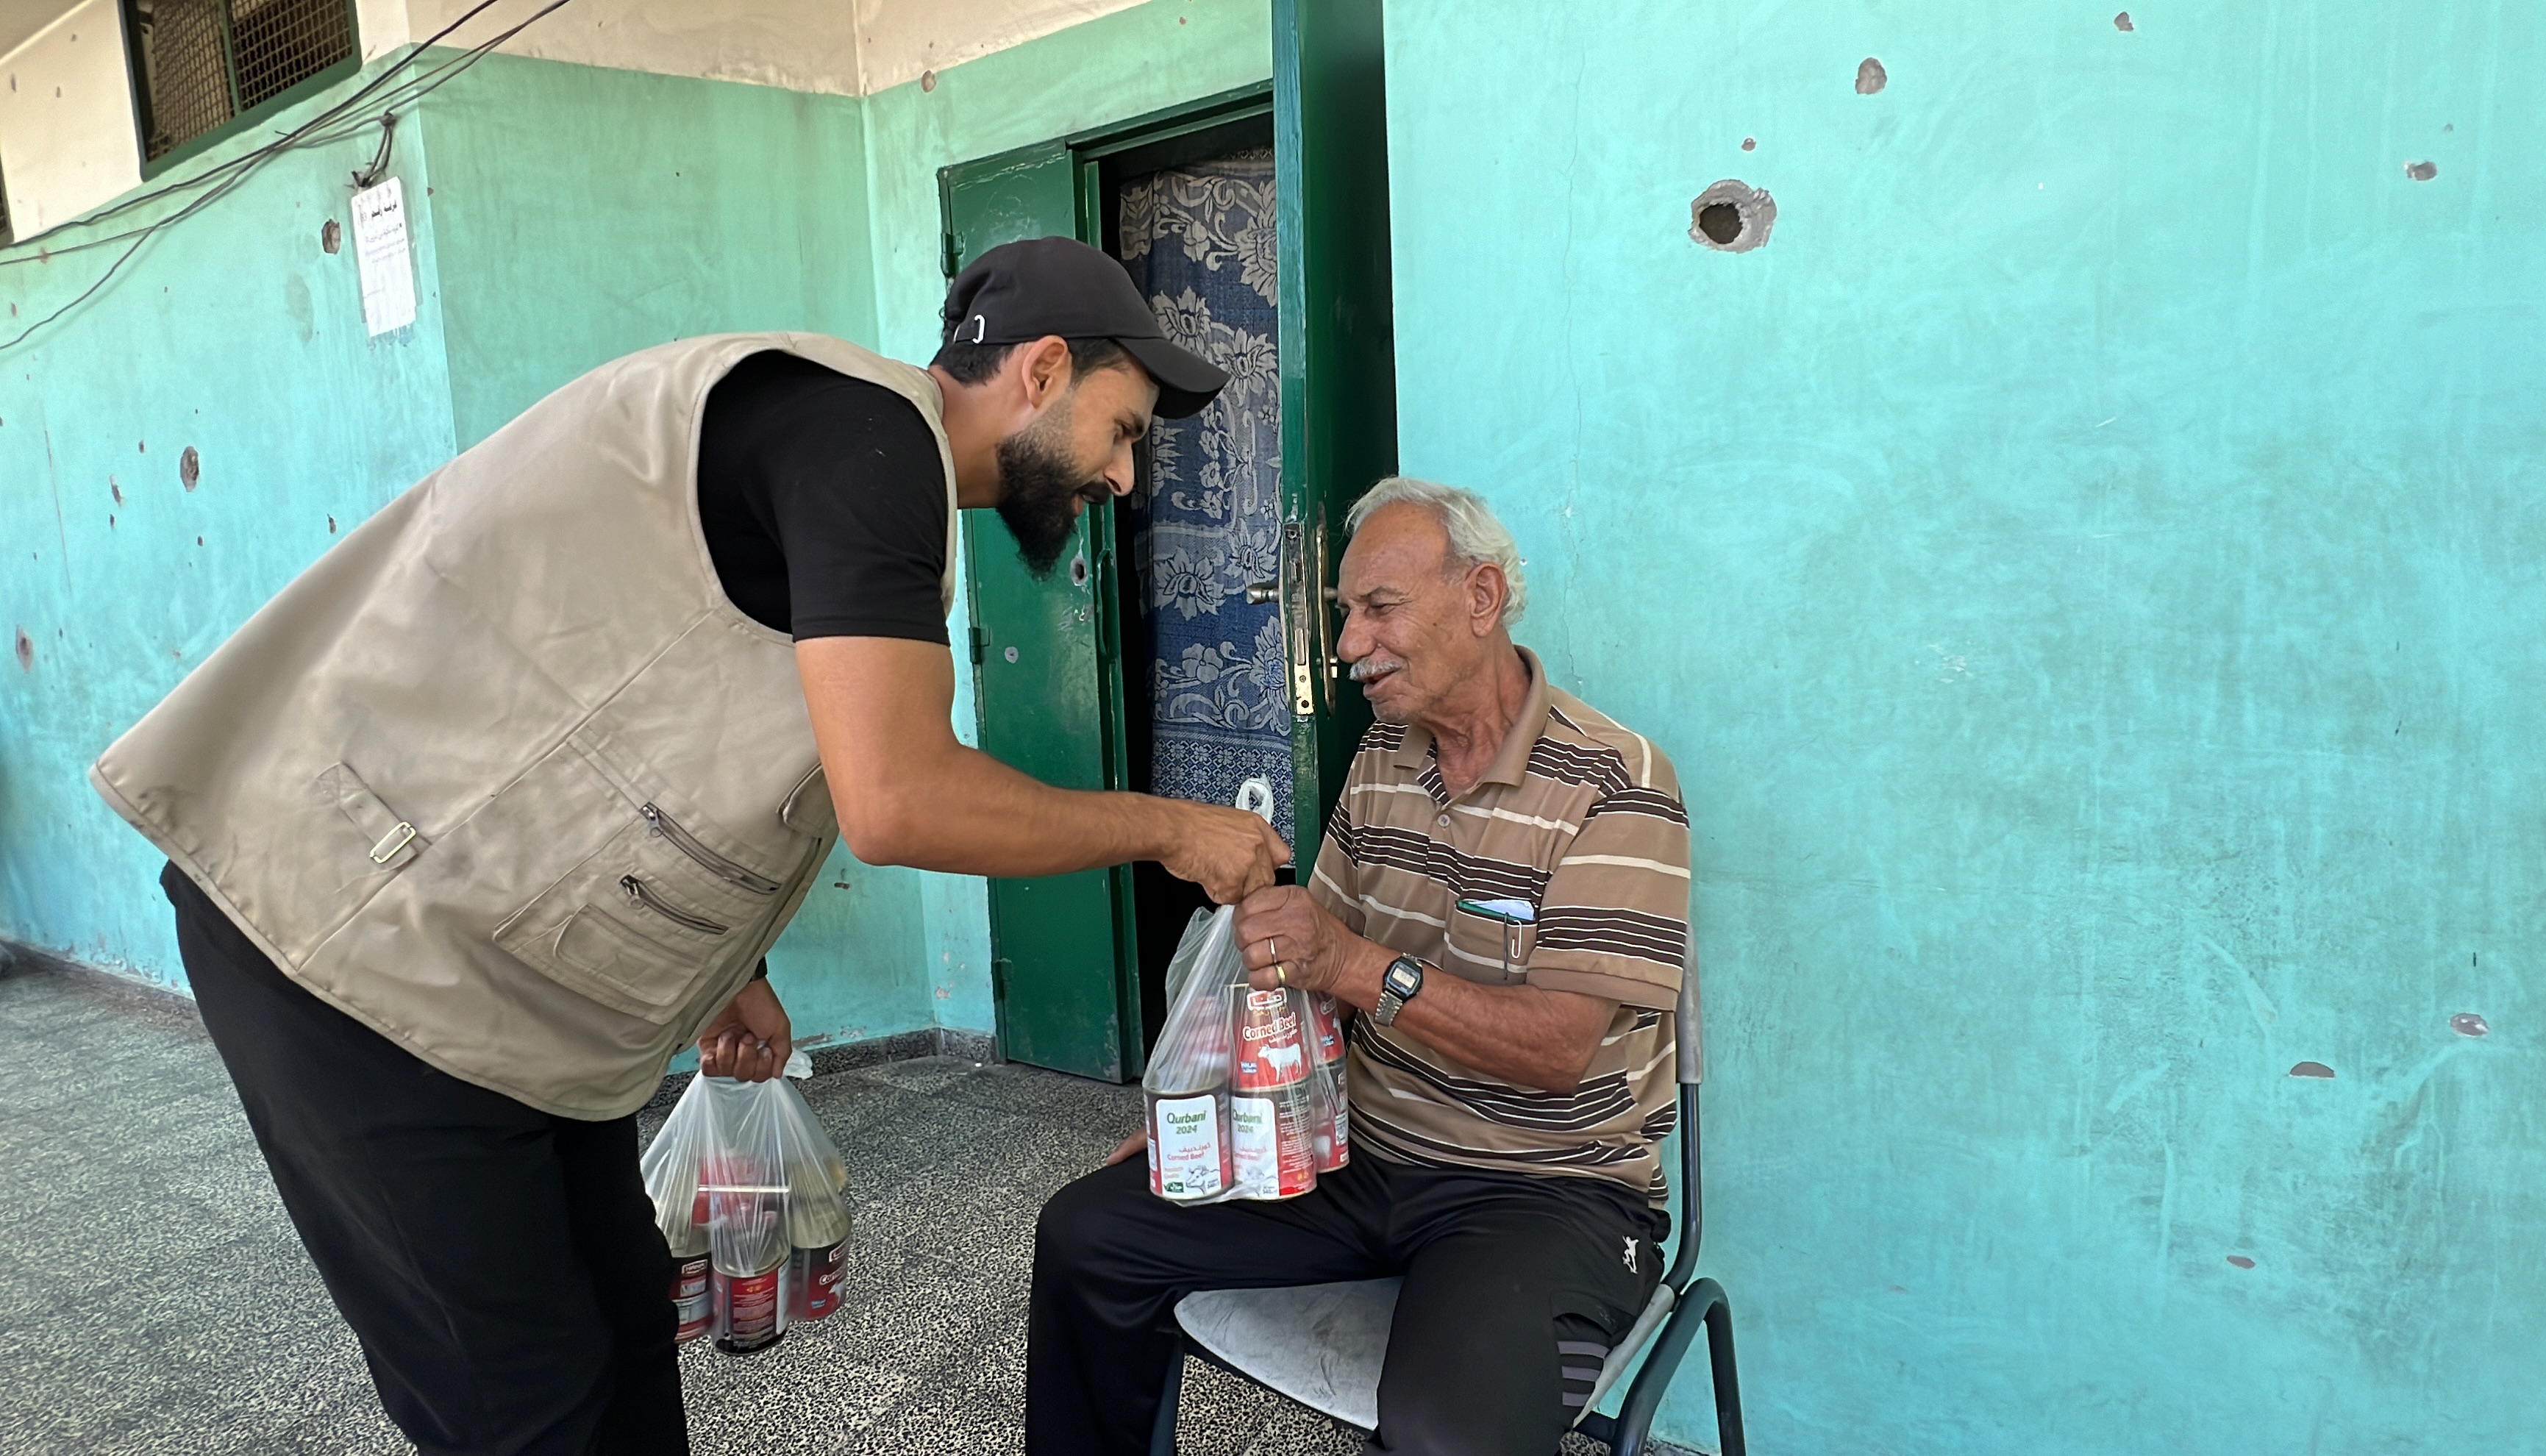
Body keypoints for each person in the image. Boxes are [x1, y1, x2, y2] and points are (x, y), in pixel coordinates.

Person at [90, 237, 1287, 1456]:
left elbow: (660, 703)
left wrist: (730, 968)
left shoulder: (862, 454)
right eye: (1125, 430)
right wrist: (1172, 829)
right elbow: (897, 796)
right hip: (350, 949)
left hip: (501, 979)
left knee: (622, 1342)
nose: (1127, 478)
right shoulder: (868, 439)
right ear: (1040, 372)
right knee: (524, 1406)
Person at [1027, 477, 1693, 1455]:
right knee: (1089, 1236)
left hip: (1545, 1191)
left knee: (1444, 1431)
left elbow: (1558, 1048)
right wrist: (1219, 1109)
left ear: (1481, 597)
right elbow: (1308, 981)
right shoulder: (1387, 757)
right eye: (1347, 615)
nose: (1347, 646)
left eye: (1380, 608)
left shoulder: (1620, 784)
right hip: (1357, 1156)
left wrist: (1356, 964)